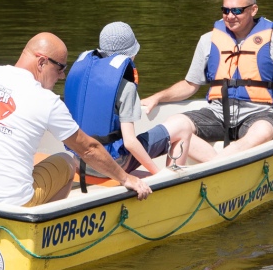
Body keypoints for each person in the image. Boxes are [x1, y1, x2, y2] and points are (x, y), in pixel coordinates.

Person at [0, 32, 152, 207]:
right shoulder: (46, 101)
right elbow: (88, 149)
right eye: (60, 68)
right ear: (41, 62)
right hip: (12, 206)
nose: (62, 76)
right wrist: (125, 178)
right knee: (68, 161)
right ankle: (41, 229)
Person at [140, 0, 273, 163]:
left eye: (237, 11)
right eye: (225, 10)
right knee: (175, 123)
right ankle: (175, 175)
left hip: (258, 113)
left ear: (253, 10)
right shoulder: (208, 40)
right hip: (217, 112)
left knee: (262, 131)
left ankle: (214, 165)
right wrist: (158, 97)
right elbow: (190, 85)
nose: (230, 16)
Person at [64, 22, 191, 178]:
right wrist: (158, 175)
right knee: (183, 125)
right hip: (113, 165)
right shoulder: (126, 87)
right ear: (131, 54)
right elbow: (130, 143)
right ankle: (173, 182)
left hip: (81, 160)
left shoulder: (83, 79)